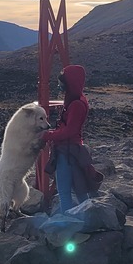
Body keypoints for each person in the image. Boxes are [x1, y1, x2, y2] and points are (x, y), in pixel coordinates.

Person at [41, 64, 93, 212]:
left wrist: (48, 135)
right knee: (80, 188)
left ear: (70, 83)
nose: (60, 86)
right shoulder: (78, 99)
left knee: (64, 191)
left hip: (67, 152)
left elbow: (70, 131)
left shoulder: (76, 104)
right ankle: (90, 217)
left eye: (62, 83)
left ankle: (68, 223)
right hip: (73, 151)